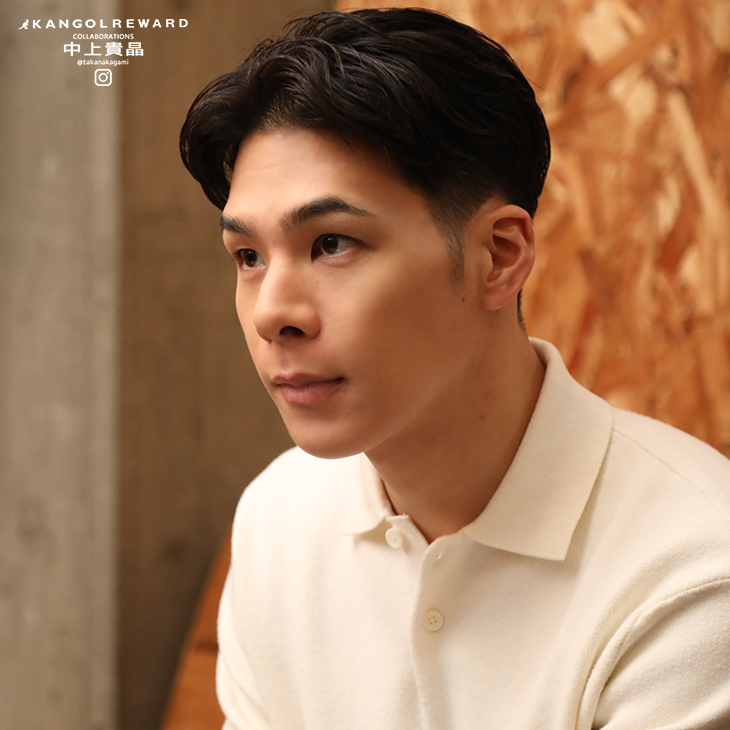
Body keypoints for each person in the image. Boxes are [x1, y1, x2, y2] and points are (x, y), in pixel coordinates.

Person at [179, 8, 730, 729]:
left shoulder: (695, 572)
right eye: (249, 256)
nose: (272, 313)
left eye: (333, 243)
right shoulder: (279, 516)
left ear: (499, 256)